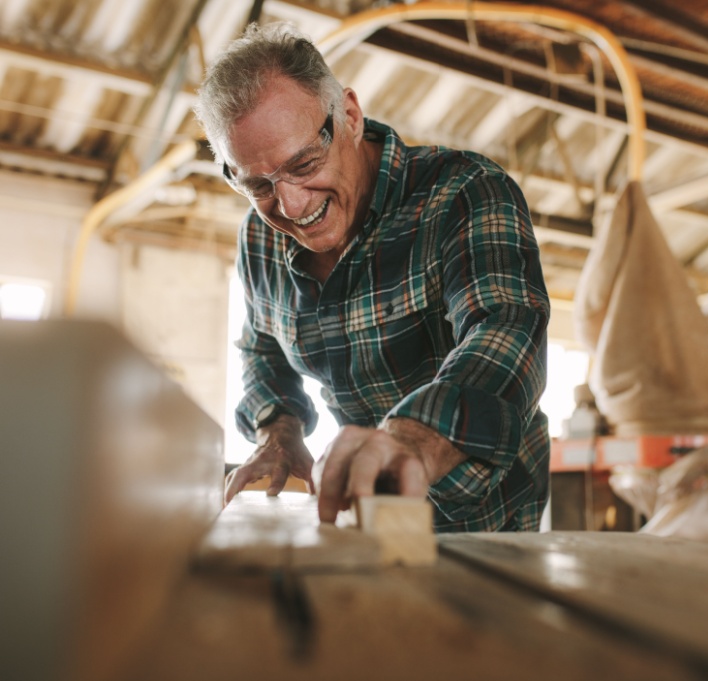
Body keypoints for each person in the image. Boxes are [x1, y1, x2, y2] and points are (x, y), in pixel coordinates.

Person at [194, 22, 550, 532]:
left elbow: (507, 329)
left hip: (486, 519)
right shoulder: (259, 238)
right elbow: (262, 351)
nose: (291, 206)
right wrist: (279, 432)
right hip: (366, 514)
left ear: (351, 117)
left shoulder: (464, 192)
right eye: (258, 185)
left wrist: (412, 440)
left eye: (305, 162)